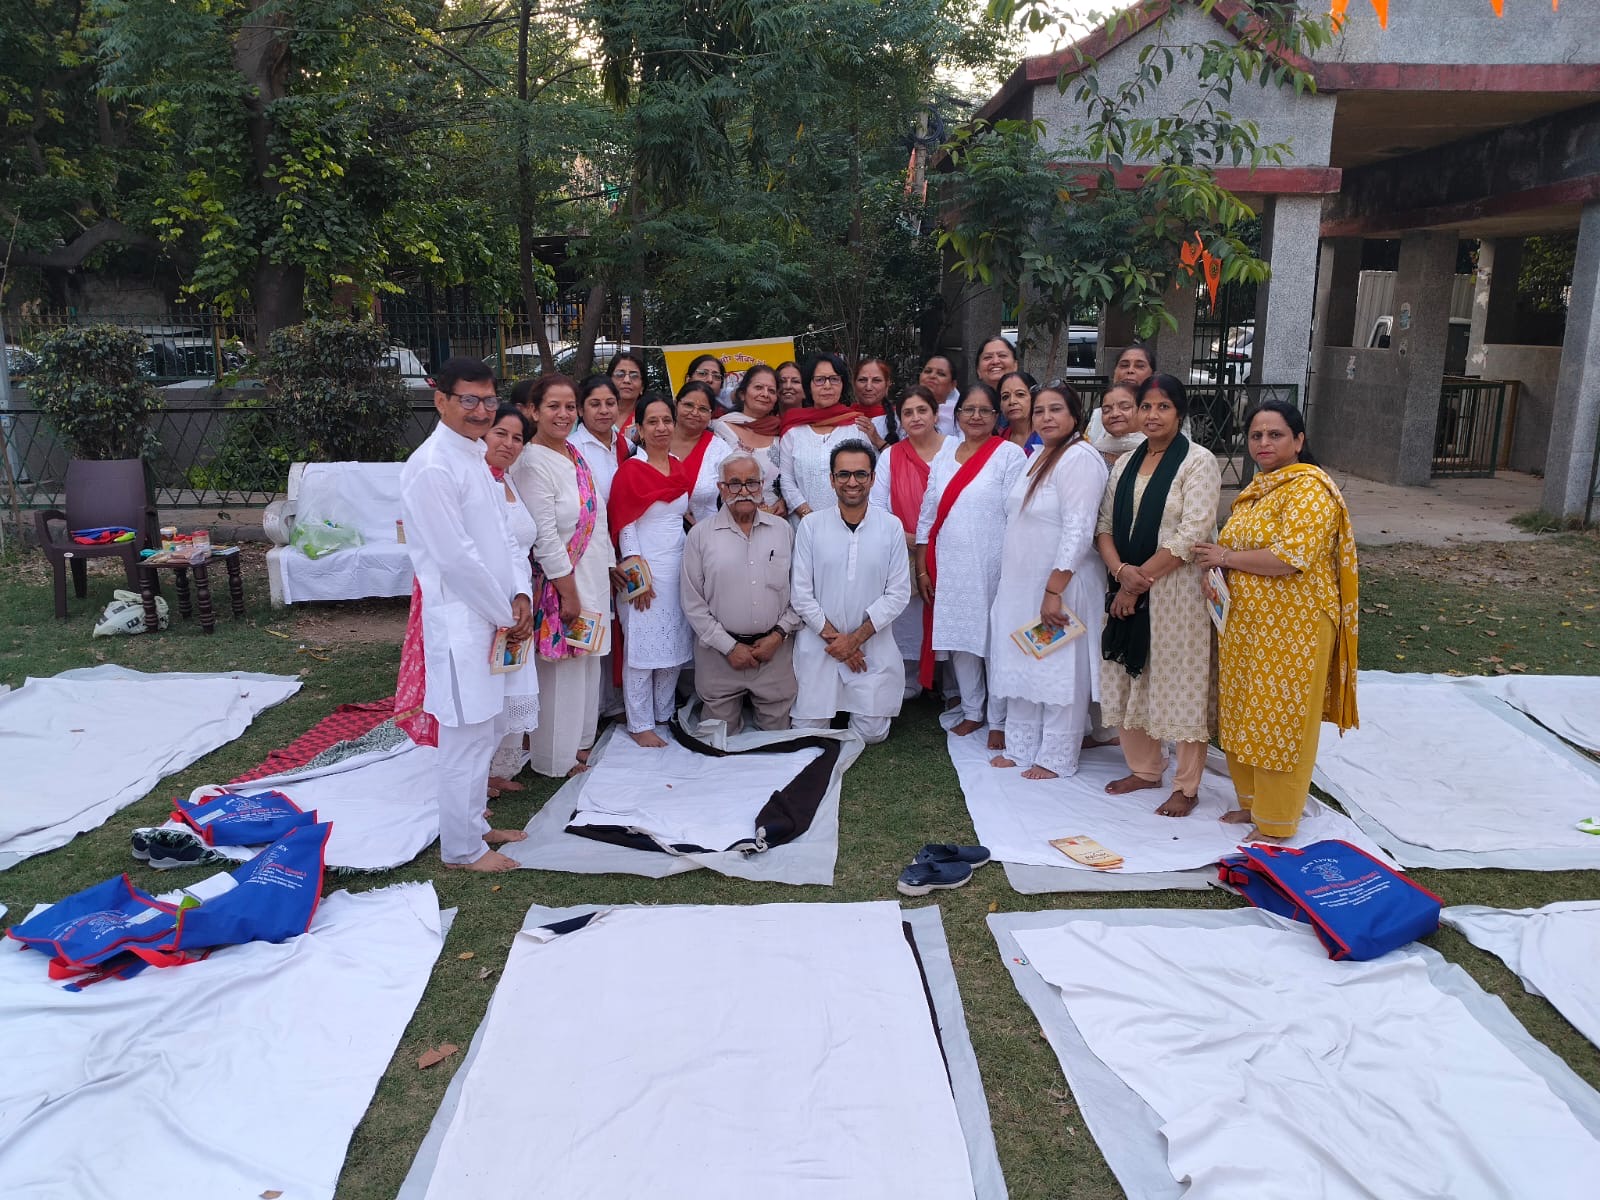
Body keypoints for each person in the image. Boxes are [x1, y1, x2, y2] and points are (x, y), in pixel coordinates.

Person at [1193, 401, 1360, 841]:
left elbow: (1291, 557)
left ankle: (1277, 821)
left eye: (1275, 434)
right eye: (1256, 435)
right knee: (1245, 712)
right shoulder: (1260, 488)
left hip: (1294, 628)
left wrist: (1227, 557)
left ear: (1298, 440)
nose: (1263, 443)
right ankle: (1252, 804)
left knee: (1281, 721)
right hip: (1248, 626)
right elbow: (1237, 552)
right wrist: (1219, 572)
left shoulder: (1309, 489)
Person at [398, 357, 536, 871]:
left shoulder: (476, 456)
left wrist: (520, 595)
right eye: (469, 400)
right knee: (463, 739)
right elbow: (455, 559)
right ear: (441, 400)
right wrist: (505, 611)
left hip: (497, 620)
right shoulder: (432, 466)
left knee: (486, 732)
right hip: (462, 625)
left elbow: (506, 536)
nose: (481, 411)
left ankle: (475, 825)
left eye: (488, 400)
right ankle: (461, 849)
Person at [1096, 374, 1222, 816]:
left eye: (1163, 407)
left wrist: (1136, 582)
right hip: (1125, 583)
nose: (1152, 415)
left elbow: (1193, 532)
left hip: (1177, 594)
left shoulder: (1198, 462)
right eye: (1145, 407)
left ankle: (1186, 785)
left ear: (1179, 413)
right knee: (1129, 674)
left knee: (1181, 679)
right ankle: (1145, 769)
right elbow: (1104, 526)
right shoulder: (1125, 464)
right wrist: (1120, 573)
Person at [988, 382, 1109, 779]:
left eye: (1056, 409)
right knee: (1024, 659)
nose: (1046, 417)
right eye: (1039, 410)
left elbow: (1079, 528)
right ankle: (1021, 746)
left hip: (1061, 584)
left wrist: (1054, 589)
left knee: (1059, 666)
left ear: (1075, 415)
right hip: (1022, 584)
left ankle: (1056, 755)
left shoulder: (1080, 458)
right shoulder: (1038, 454)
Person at [511, 373, 614, 778]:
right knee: (562, 671)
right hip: (562, 583)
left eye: (570, 406)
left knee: (587, 665)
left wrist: (606, 571)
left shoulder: (572, 452)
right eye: (553, 406)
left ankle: (579, 745)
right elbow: (545, 536)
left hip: (592, 577)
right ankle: (554, 759)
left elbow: (595, 519)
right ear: (533, 412)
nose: (564, 414)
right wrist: (568, 592)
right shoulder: (532, 462)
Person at [915, 382, 1027, 739]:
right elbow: (928, 514)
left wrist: (1014, 567)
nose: (976, 416)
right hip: (950, 565)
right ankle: (972, 710)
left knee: (995, 643)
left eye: (984, 410)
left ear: (996, 416)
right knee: (960, 640)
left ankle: (1000, 719)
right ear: (957, 414)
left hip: (993, 565)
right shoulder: (944, 454)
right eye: (968, 409)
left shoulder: (1009, 455)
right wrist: (922, 567)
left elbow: (1017, 516)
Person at [791, 440, 911, 744]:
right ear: (832, 480)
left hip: (871, 647)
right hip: (821, 645)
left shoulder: (891, 527)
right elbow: (801, 594)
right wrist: (839, 642)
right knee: (806, 731)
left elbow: (898, 593)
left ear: (872, 478)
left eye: (860, 474)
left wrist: (855, 640)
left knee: (872, 734)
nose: (852, 482)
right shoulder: (811, 525)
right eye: (844, 474)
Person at [680, 453, 802, 732]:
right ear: (721, 488)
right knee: (717, 740)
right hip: (719, 656)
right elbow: (693, 603)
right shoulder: (700, 536)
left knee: (778, 738)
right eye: (734, 484)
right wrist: (729, 647)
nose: (744, 491)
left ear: (762, 486)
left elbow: (800, 592)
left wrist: (778, 635)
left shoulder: (782, 530)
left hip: (774, 652)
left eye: (752, 483)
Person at [607, 393, 694, 747]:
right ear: (639, 429)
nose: (661, 428)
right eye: (653, 422)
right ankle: (639, 722)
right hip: (644, 569)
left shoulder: (677, 465)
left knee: (672, 645)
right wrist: (636, 578)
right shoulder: (630, 470)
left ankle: (663, 713)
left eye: (666, 420)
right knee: (642, 650)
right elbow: (625, 525)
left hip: (677, 568)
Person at [868, 386, 949, 698]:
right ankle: (910, 676)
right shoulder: (891, 455)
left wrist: (933, 539)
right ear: (900, 420)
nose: (915, 417)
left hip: (950, 547)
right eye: (907, 413)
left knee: (948, 610)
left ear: (935, 414)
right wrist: (909, 538)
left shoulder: (955, 449)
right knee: (910, 614)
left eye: (922, 410)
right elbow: (877, 505)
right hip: (906, 548)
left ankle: (950, 682)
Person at [480, 404, 542, 792]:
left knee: (510, 682)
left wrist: (522, 596)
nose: (509, 443)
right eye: (500, 433)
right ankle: (476, 776)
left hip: (518, 595)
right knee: (485, 689)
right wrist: (502, 603)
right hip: (485, 599)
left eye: (517, 438)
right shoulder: (475, 483)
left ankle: (497, 767)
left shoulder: (507, 480)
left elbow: (518, 546)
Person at [775, 353, 874, 522]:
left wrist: (846, 519)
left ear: (842, 384)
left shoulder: (857, 427)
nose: (827, 386)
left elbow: (868, 476)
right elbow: (787, 479)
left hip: (851, 523)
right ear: (809, 386)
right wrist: (808, 515)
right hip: (803, 523)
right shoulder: (793, 430)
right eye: (820, 380)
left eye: (834, 379)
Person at [711, 364, 786, 517]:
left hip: (775, 520)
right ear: (742, 394)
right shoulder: (720, 428)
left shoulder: (781, 433)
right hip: (732, 519)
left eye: (771, 391)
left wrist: (785, 501)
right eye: (758, 387)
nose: (765, 394)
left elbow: (791, 477)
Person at [669, 380, 732, 523]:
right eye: (688, 405)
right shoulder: (656, 440)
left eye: (703, 409)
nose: (694, 413)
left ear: (711, 414)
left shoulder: (720, 450)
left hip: (707, 531)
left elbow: (733, 496)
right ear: (676, 405)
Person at [571, 375, 631, 504]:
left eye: (610, 403)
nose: (604, 411)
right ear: (580, 410)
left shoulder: (628, 446)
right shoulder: (571, 450)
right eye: (595, 404)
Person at [1086, 343, 1157, 446]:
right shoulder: (1099, 415)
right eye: (1124, 365)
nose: (1130, 370)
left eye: (1139, 366)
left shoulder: (1166, 415)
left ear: (1153, 375)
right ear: (1114, 372)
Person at [852, 356, 900, 447]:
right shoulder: (842, 418)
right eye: (862, 380)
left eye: (876, 380)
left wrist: (877, 440)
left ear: (887, 384)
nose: (868, 387)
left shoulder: (901, 420)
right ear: (854, 383)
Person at [1091, 381, 1143, 465]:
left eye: (1125, 407)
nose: (1114, 414)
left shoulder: (1155, 451)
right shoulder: (1093, 455)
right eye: (1106, 410)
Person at [998, 369, 1041, 455]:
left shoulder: (1047, 436)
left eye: (1020, 394)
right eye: (1005, 397)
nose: (1012, 401)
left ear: (1034, 398)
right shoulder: (1000, 439)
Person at [918, 352, 960, 435]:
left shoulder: (961, 416)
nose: (932, 376)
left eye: (941, 374)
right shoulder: (904, 410)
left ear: (953, 385)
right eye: (928, 371)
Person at [607, 350, 648, 435]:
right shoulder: (596, 414)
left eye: (634, 376)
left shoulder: (647, 417)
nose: (627, 380)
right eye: (620, 374)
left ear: (642, 387)